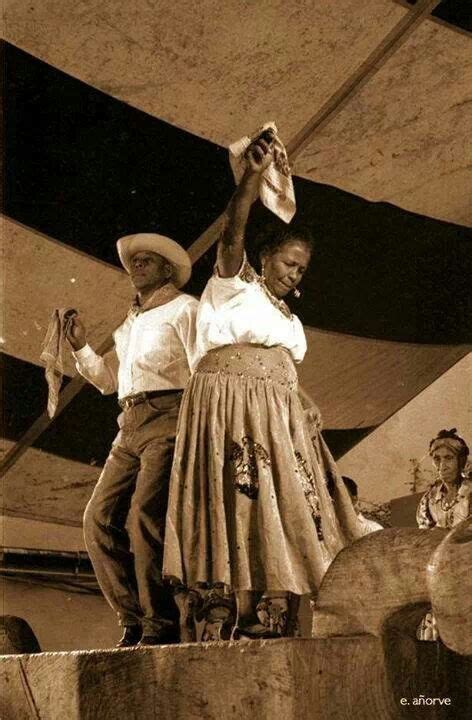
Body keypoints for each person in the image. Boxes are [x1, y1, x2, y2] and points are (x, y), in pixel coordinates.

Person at [163, 132, 362, 640]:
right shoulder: (234, 284)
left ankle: (268, 612)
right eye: (289, 263)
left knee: (285, 502)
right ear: (266, 256)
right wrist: (251, 175)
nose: (294, 274)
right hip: (230, 398)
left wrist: (303, 399)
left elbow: (285, 366)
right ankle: (237, 607)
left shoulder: (287, 316)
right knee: (242, 495)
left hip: (278, 408)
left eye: (301, 269)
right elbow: (233, 228)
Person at [66, 233, 198, 647]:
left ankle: (161, 624)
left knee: (143, 517)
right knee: (97, 519)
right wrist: (81, 347)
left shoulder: (186, 309)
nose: (136, 266)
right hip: (130, 421)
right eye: (133, 261)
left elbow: (204, 369)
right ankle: (133, 617)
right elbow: (109, 382)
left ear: (167, 270)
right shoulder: (131, 322)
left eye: (147, 260)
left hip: (171, 416)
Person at [416, 428, 471, 641]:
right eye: (437, 459)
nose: (442, 465)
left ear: (461, 461)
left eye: (448, 458)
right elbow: (423, 538)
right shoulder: (429, 498)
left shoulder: (470, 494)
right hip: (438, 576)